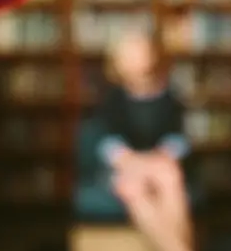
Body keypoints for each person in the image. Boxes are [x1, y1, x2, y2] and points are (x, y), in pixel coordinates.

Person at [74, 25, 192, 220]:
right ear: (117, 62)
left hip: (160, 162)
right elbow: (106, 140)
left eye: (140, 52)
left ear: (151, 56)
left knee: (170, 179)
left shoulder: (168, 96)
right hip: (125, 166)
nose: (135, 60)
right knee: (133, 187)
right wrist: (131, 161)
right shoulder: (111, 98)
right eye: (128, 55)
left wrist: (161, 156)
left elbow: (178, 137)